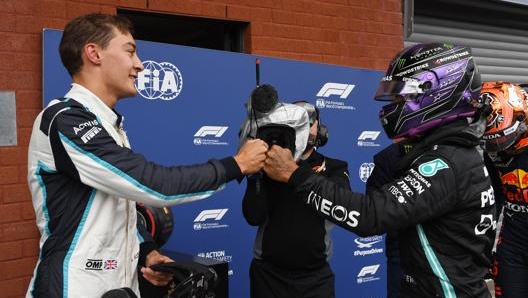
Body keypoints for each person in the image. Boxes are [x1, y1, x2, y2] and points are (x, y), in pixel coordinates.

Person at [26, 13, 268, 298]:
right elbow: (154, 185)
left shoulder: (107, 124)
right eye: (130, 51)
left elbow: (116, 206)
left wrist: (147, 251)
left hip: (119, 286)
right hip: (72, 287)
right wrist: (236, 165)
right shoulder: (64, 120)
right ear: (94, 53)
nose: (139, 65)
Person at [263, 42, 497, 298]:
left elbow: (370, 216)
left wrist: (294, 174)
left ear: (434, 91)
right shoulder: (451, 152)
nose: (393, 104)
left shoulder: (447, 162)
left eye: (400, 96)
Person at [242, 100, 351, 298]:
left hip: (316, 277)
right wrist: (255, 176)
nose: (304, 126)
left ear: (321, 128)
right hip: (268, 274)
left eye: (310, 121)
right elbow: (253, 216)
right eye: (296, 120)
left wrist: (292, 170)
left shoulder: (335, 167)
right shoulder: (266, 166)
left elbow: (340, 205)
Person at [480, 81, 528, 298]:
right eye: (494, 140)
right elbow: (492, 198)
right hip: (512, 242)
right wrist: (484, 243)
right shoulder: (493, 150)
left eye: (506, 137)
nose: (501, 145)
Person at [366, 138, 411, 298]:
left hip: (442, 250)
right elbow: (373, 207)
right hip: (401, 250)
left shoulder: (446, 153)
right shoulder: (389, 157)